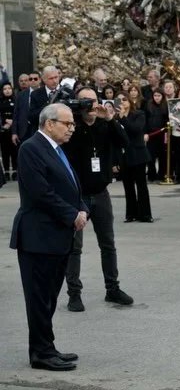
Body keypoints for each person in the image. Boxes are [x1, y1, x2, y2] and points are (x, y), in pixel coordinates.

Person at [11, 104, 89, 370]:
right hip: (38, 237)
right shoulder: (31, 149)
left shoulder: (56, 149)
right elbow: (40, 192)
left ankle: (47, 347)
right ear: (49, 123)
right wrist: (72, 215)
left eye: (72, 124)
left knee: (49, 298)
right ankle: (41, 354)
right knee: (39, 299)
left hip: (57, 236)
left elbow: (71, 186)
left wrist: (82, 209)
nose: (72, 128)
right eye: (67, 123)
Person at [63, 87, 133, 312]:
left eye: (92, 100)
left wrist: (110, 119)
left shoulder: (105, 125)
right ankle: (74, 294)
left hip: (101, 193)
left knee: (108, 244)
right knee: (74, 247)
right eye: (84, 101)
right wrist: (73, 118)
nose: (90, 105)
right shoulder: (71, 126)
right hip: (77, 195)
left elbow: (125, 142)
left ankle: (112, 288)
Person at [116, 93, 152, 223]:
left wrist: (123, 117)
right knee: (128, 186)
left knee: (141, 185)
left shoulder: (139, 114)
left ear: (130, 101)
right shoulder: (115, 117)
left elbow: (135, 129)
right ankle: (131, 213)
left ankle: (145, 214)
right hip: (124, 155)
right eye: (119, 100)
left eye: (124, 99)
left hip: (138, 154)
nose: (122, 102)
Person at [145, 90, 168, 181]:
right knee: (150, 156)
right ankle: (151, 174)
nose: (157, 97)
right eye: (155, 95)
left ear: (162, 96)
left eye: (159, 95)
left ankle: (162, 174)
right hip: (151, 134)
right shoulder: (148, 105)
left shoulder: (166, 105)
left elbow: (168, 119)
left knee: (162, 156)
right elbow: (145, 120)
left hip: (163, 134)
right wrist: (145, 133)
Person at [1, 82, 17, 181]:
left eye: (9, 88)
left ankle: (15, 171)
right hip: (3, 130)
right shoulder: (1, 101)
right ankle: (6, 172)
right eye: (5, 89)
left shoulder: (16, 100)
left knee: (14, 150)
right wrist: (5, 120)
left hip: (14, 130)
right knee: (5, 151)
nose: (7, 90)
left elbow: (18, 113)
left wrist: (12, 122)